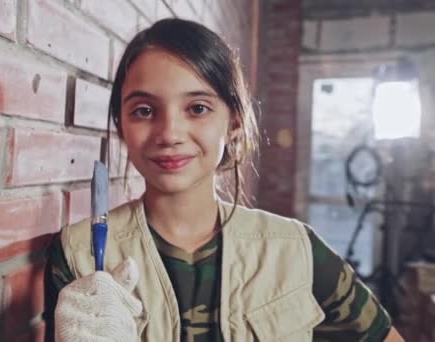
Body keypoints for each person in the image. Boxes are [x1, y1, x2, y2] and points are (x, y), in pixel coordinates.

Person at [43, 18, 404, 341]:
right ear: (121, 125)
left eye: (197, 108)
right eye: (144, 111)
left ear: (232, 122)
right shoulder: (79, 254)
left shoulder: (296, 249)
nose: (169, 133)